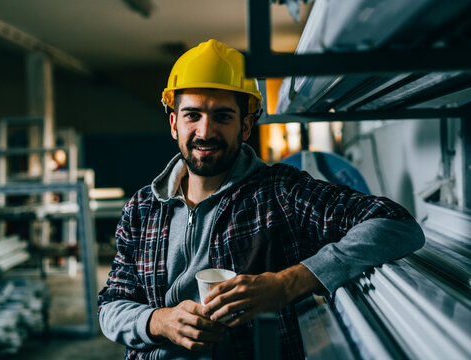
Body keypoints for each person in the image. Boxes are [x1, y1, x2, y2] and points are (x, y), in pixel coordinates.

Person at [98, 39, 424, 359]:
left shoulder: (279, 192)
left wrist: (286, 284)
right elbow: (111, 305)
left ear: (246, 125)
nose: (205, 131)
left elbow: (396, 224)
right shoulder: (142, 209)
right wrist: (160, 321)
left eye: (223, 116)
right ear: (174, 123)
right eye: (192, 115)